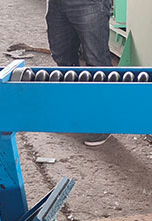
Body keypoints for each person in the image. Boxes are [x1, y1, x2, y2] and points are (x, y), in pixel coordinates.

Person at [46, 0, 113, 146]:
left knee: (97, 62)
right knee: (62, 56)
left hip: (90, 4)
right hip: (57, 4)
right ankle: (74, 111)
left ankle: (103, 121)